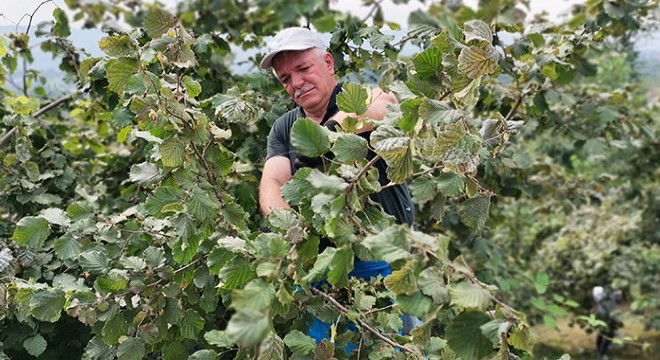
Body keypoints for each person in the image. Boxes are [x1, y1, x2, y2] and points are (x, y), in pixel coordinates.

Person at [258, 26, 419, 347]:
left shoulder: (357, 96)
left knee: (392, 348)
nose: (296, 83)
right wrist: (289, 227)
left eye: (303, 69)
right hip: (320, 269)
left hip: (382, 264)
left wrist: (326, 137)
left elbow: (385, 104)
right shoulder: (285, 126)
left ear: (329, 63)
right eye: (286, 79)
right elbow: (273, 180)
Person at [592, 286, 623, 360]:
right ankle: (602, 354)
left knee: (602, 333)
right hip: (609, 317)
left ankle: (599, 350)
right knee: (610, 334)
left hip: (600, 315)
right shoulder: (611, 294)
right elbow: (620, 293)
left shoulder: (598, 295)